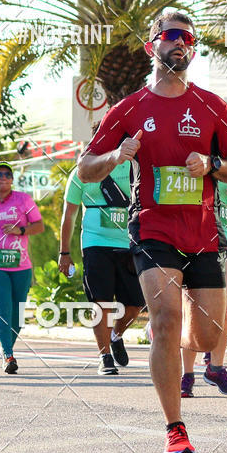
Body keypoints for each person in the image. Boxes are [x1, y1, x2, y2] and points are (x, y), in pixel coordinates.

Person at [77, 10, 227, 453]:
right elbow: (86, 167)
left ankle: (177, 346)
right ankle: (175, 427)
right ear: (153, 43)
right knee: (166, 319)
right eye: (173, 36)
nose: (182, 44)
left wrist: (210, 164)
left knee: (210, 337)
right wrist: (117, 153)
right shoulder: (130, 108)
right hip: (152, 228)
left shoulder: (213, 105)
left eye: (189, 39)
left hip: (203, 232)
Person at [59, 150, 144, 375]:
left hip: (128, 242)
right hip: (95, 242)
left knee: (136, 303)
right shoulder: (82, 171)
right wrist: (64, 252)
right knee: (101, 301)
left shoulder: (133, 166)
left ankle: (116, 336)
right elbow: (69, 214)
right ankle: (104, 355)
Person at [0, 161, 44, 374]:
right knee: (3, 311)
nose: (3, 177)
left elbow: (39, 226)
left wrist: (20, 230)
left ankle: (5, 347)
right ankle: (8, 354)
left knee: (18, 315)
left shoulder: (23, 200)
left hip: (21, 265)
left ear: (12, 179)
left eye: (7, 174)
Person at [181, 181, 227, 396]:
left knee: (225, 308)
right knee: (192, 310)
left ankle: (216, 368)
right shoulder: (192, 161)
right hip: (193, 241)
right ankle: (187, 374)